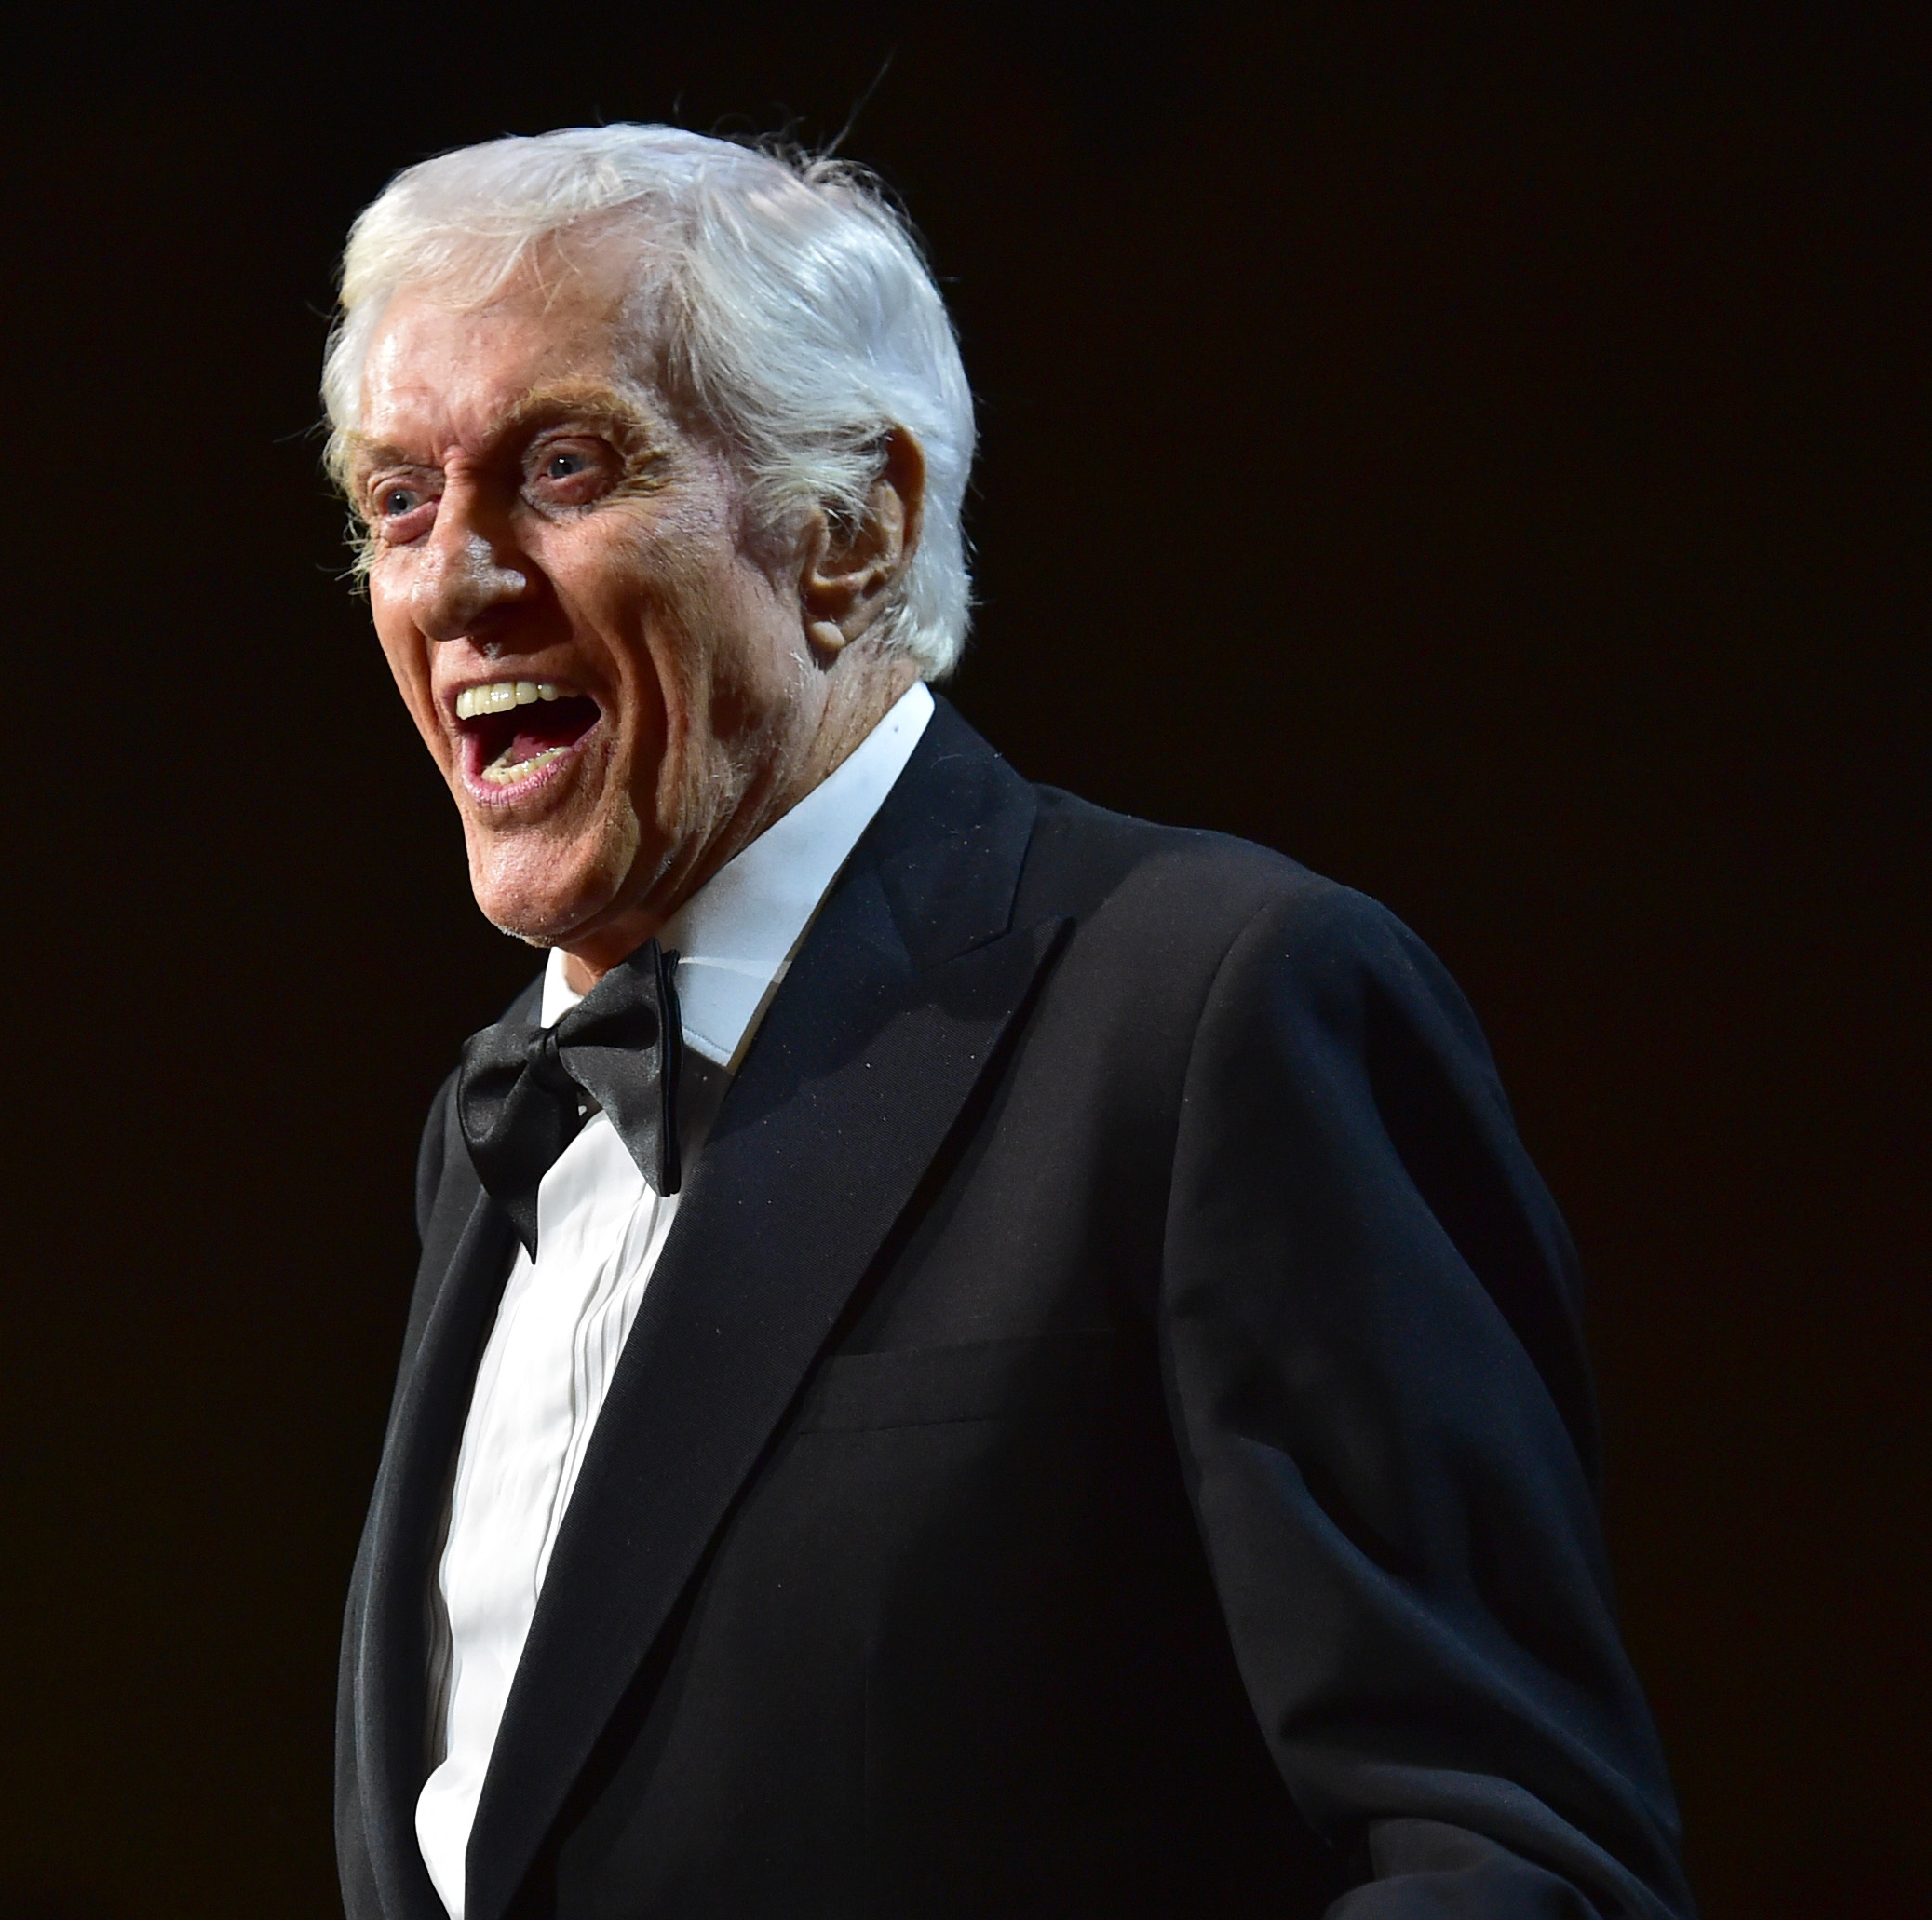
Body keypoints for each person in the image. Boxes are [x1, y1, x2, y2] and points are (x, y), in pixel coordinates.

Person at [323, 125, 1693, 1920]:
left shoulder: (1212, 1009)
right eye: (398, 500)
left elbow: (1515, 1855)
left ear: (853, 525)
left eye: (563, 467)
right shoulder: (490, 1131)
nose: (453, 578)